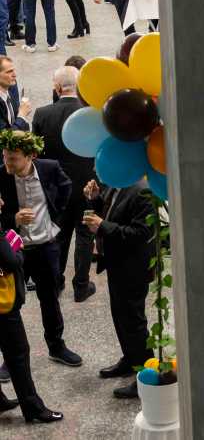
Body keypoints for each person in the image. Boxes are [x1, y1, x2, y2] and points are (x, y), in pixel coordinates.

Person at [0, 129, 82, 369]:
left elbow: (66, 188)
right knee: (11, 304)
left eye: (13, 157)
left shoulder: (50, 168)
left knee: (50, 299)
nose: (7, 161)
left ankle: (56, 346)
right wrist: (13, 218)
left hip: (46, 247)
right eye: (5, 155)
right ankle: (10, 355)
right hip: (15, 251)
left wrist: (55, 219)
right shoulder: (1, 175)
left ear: (30, 156)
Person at [82, 177, 155, 399]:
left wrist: (102, 226)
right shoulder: (116, 184)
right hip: (116, 263)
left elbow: (140, 234)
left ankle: (146, 375)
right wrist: (94, 199)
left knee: (133, 321)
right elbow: (110, 211)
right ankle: (130, 358)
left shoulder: (142, 191)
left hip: (133, 267)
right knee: (120, 315)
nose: (96, 170)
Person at [31, 66, 96, 300]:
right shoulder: (91, 112)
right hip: (88, 184)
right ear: (78, 87)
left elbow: (36, 154)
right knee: (85, 235)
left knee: (59, 234)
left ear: (57, 88)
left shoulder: (41, 114)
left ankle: (56, 281)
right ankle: (81, 286)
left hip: (56, 186)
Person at [0, 227, 63, 423]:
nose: (1, 202)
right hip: (3, 306)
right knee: (18, 352)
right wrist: (17, 250)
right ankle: (33, 407)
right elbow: (10, 261)